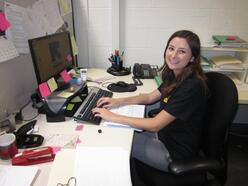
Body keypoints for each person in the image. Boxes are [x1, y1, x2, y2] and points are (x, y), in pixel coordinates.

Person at [92, 30, 208, 172]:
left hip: (173, 152)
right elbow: (149, 97)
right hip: (164, 135)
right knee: (115, 131)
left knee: (115, 140)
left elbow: (155, 125)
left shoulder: (191, 86)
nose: (173, 55)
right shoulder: (175, 74)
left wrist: (113, 117)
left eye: (182, 51)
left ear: (192, 58)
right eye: (171, 49)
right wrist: (118, 101)